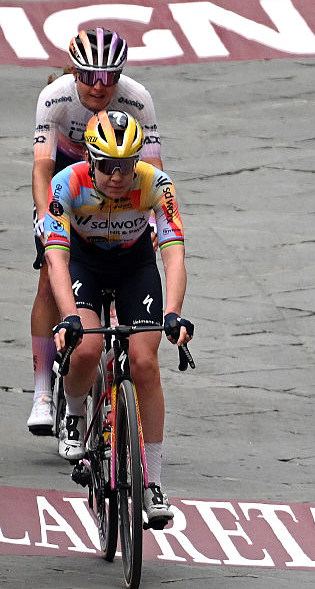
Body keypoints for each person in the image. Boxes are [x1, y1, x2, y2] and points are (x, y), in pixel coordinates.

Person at [45, 110, 190, 529]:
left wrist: (174, 312)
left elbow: (174, 253)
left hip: (134, 265)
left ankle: (154, 483)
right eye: (106, 165)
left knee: (145, 362)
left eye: (125, 165)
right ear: (91, 160)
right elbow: (56, 258)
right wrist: (68, 317)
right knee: (86, 346)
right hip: (84, 263)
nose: (116, 175)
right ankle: (73, 413)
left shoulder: (156, 184)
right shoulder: (66, 183)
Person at [27, 28, 162, 436]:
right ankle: (42, 392)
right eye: (88, 76)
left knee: (131, 251)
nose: (99, 86)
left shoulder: (138, 99)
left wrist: (154, 221)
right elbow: (42, 169)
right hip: (68, 183)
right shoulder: (55, 99)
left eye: (109, 77)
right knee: (52, 279)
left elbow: (153, 170)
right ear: (75, 72)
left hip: (118, 178)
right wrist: (44, 214)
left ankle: (107, 359)